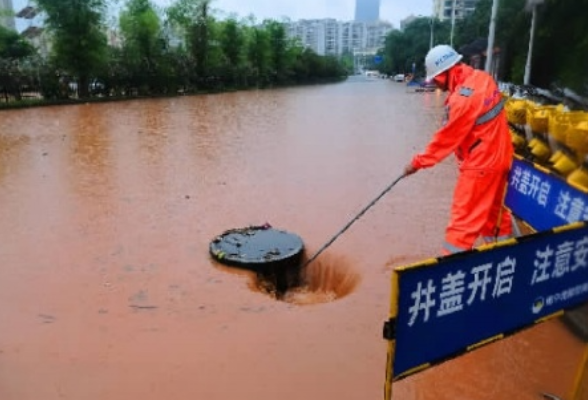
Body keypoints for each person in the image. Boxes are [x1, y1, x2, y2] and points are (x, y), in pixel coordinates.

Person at [404, 44, 514, 255]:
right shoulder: (484, 78)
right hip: (501, 159)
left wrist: (416, 163)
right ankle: (503, 258)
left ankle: (450, 270)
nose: (435, 82)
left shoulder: (462, 100)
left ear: (446, 72)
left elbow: (445, 140)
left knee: (462, 224)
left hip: (480, 166)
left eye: (435, 77)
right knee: (495, 217)